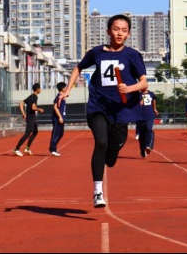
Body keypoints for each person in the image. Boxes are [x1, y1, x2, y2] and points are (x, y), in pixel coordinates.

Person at [61, 14, 148, 208]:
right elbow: (78, 68)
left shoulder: (132, 55)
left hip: (121, 110)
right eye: (116, 29)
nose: (119, 33)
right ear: (108, 31)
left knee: (113, 151)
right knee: (100, 141)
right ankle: (97, 192)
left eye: (124, 30)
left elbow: (144, 82)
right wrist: (68, 90)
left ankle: (112, 150)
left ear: (128, 34)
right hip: (98, 106)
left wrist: (129, 88)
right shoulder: (96, 52)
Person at [14, 83, 43, 156]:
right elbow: (33, 108)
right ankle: (16, 149)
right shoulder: (34, 97)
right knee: (27, 134)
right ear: (37, 89)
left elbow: (21, 103)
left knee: (35, 131)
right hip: (31, 118)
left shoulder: (30, 97)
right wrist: (39, 109)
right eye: (40, 88)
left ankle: (27, 148)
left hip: (32, 117)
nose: (41, 89)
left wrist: (23, 114)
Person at [136, 87, 158, 158]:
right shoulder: (138, 94)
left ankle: (148, 146)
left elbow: (154, 100)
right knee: (142, 134)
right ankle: (142, 149)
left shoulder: (151, 93)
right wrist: (140, 103)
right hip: (140, 116)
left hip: (150, 115)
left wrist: (154, 109)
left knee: (149, 129)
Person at [49, 82, 67, 157]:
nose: (66, 88)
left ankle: (52, 147)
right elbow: (55, 107)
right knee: (56, 134)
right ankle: (53, 149)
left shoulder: (62, 96)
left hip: (61, 118)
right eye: (65, 87)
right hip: (57, 118)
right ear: (62, 88)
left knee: (61, 133)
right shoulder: (58, 96)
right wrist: (60, 117)